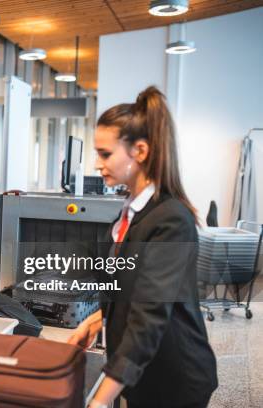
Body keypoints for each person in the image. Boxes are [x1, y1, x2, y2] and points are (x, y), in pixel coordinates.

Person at [68, 86, 218, 408]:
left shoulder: (171, 221)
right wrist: (97, 319)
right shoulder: (132, 209)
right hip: (142, 370)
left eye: (105, 154)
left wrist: (99, 400)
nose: (97, 163)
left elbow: (149, 314)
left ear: (140, 151)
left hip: (175, 376)